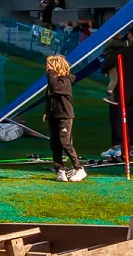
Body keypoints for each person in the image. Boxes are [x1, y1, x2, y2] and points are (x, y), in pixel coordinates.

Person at [101, 28, 133, 160]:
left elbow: (108, 62)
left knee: (116, 119)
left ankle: (116, 147)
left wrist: (105, 68)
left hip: (120, 89)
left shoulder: (125, 51)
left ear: (131, 36)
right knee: (131, 118)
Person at [44, 54, 85, 182]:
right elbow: (49, 96)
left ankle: (79, 168)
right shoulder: (53, 81)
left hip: (64, 116)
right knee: (55, 144)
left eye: (49, 65)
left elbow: (56, 88)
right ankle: (60, 170)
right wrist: (47, 112)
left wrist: (51, 73)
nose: (47, 68)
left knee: (65, 143)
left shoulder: (64, 81)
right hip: (53, 115)